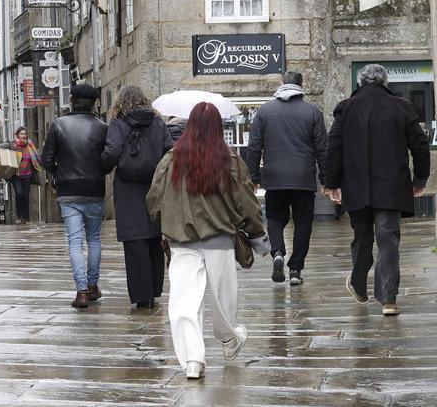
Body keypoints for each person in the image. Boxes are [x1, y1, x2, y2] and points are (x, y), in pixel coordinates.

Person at [146, 102, 268, 380]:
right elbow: (246, 200)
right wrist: (259, 237)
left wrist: (164, 222)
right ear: (218, 126)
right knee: (224, 298)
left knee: (184, 302)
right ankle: (229, 339)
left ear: (189, 126)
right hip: (219, 239)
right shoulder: (230, 159)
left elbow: (154, 199)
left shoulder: (171, 159)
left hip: (181, 239)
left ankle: (192, 359)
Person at [325, 64, 430, 316]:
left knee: (361, 237)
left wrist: (331, 183)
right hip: (392, 186)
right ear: (386, 82)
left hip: (356, 185)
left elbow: (334, 147)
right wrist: (420, 179)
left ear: (361, 82)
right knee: (388, 240)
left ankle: (359, 285)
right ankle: (388, 299)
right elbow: (420, 146)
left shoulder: (346, 108)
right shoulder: (402, 107)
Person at [246, 71, 327, 286]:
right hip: (303, 178)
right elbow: (322, 149)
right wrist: (328, 180)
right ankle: (296, 269)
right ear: (302, 85)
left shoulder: (264, 111)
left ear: (281, 84)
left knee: (274, 218)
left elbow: (254, 147)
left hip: (274, 177)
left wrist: (252, 177)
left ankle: (278, 252)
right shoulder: (312, 112)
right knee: (303, 223)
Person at [101, 86, 173, 308]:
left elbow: (112, 152)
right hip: (155, 186)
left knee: (134, 241)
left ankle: (142, 295)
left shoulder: (119, 123)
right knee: (154, 237)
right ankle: (154, 289)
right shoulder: (158, 122)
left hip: (128, 188)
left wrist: (103, 165)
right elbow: (169, 149)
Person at [41, 83, 108, 309]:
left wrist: (57, 175)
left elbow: (46, 159)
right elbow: (108, 160)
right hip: (94, 189)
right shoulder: (102, 127)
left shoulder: (59, 125)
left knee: (75, 242)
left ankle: (81, 291)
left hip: (68, 191)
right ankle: (93, 286)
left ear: (72, 100)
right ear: (93, 103)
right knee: (94, 239)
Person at [8, 126, 43, 224]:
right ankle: (19, 216)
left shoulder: (30, 146)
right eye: (21, 134)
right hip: (16, 174)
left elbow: (36, 157)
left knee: (25, 195)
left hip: (27, 174)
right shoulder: (12, 145)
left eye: (25, 134)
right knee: (19, 193)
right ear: (17, 135)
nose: (24, 135)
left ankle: (26, 217)